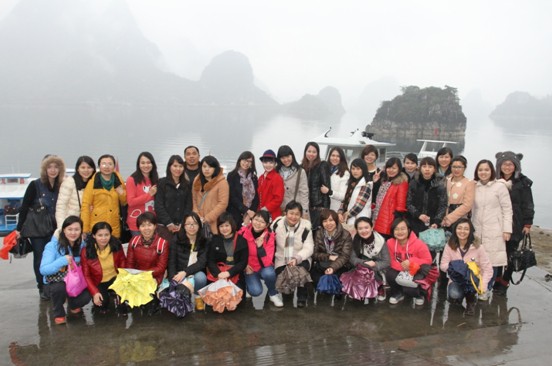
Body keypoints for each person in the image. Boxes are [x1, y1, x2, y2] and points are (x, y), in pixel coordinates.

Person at [16, 154, 66, 300]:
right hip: (37, 229)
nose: (53, 170)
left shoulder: (61, 185)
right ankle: (42, 287)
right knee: (40, 258)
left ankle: (56, 284)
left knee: (57, 256)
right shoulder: (35, 185)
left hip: (55, 228)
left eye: (56, 167)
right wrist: (19, 229)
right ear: (44, 169)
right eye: (49, 167)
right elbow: (24, 207)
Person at [493, 151, 535, 295]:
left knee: (511, 253)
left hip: (516, 222)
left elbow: (528, 204)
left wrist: (527, 224)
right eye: (504, 164)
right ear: (499, 166)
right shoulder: (494, 180)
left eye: (510, 164)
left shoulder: (523, 183)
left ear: (516, 166)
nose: (507, 167)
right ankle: (496, 278)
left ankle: (505, 281)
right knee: (498, 251)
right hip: (497, 221)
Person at [471, 159, 513, 300]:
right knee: (477, 259)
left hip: (495, 228)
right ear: (477, 171)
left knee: (492, 261)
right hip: (477, 228)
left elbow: (507, 210)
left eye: (486, 170)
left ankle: (486, 288)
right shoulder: (474, 186)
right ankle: (476, 284)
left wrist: (507, 230)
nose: (483, 172)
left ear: (492, 171)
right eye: (480, 170)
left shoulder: (499, 187)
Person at [39, 216, 91, 325]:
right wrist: (62, 260)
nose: (73, 233)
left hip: (74, 281)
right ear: (63, 230)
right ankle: (59, 313)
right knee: (59, 288)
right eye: (69, 229)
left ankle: (73, 304)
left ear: (81, 231)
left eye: (76, 229)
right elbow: (43, 270)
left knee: (87, 295)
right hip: (56, 281)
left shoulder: (82, 245)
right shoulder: (52, 246)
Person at [440, 218, 493, 315]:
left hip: (473, 280)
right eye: (459, 228)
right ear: (455, 230)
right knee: (454, 294)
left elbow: (488, 269)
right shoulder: (449, 245)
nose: (462, 231)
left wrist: (483, 285)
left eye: (466, 229)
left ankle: (471, 300)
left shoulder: (478, 247)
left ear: (470, 231)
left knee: (471, 284)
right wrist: (456, 267)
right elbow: (443, 265)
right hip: (457, 279)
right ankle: (458, 297)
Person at [272, 200, 314, 308]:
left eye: (297, 214)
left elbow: (309, 247)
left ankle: (302, 296)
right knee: (283, 270)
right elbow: (268, 237)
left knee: (301, 269)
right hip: (282, 257)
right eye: (291, 213)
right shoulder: (277, 224)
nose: (293, 217)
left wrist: (297, 258)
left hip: (300, 256)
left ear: (301, 215)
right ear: (285, 213)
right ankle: (287, 292)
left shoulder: (306, 226)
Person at [238, 210, 283, 307]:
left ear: (267, 225)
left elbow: (267, 263)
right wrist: (244, 265)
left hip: (263, 267)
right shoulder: (242, 233)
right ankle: (249, 284)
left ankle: (273, 294)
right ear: (251, 220)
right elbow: (237, 254)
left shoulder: (269, 237)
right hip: (249, 268)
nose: (258, 223)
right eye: (256, 220)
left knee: (269, 273)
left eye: (262, 222)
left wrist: (260, 248)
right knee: (256, 291)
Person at [80, 221, 127, 314]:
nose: (103, 238)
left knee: (124, 304)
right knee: (102, 303)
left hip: (115, 278)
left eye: (106, 235)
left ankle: (119, 299)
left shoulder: (116, 245)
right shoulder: (86, 251)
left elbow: (123, 263)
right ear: (94, 236)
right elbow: (86, 275)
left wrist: (124, 280)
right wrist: (94, 292)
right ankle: (104, 299)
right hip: (98, 281)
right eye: (100, 235)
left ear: (110, 234)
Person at [385, 218, 433, 305]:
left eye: (403, 229)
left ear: (409, 229)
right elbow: (390, 259)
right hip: (400, 269)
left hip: (416, 270)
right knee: (389, 274)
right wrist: (403, 267)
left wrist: (411, 262)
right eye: (396, 229)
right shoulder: (389, 243)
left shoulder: (419, 244)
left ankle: (419, 294)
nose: (400, 232)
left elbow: (428, 260)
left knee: (411, 288)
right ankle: (398, 293)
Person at [168, 212, 208, 309]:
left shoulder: (204, 241)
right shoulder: (176, 239)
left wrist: (185, 272)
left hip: (194, 272)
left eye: (195, 223)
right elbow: (171, 261)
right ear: (184, 226)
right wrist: (173, 280)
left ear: (199, 225)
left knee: (201, 277)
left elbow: (202, 263)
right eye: (189, 224)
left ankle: (198, 297)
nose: (192, 226)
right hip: (179, 273)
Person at [81, 154, 127, 239]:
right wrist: (85, 229)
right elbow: (86, 206)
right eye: (104, 164)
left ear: (114, 166)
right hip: (97, 225)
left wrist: (121, 193)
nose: (107, 167)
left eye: (110, 164)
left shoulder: (118, 180)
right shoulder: (93, 182)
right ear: (99, 166)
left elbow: (124, 202)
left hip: (114, 225)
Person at [349, 217, 390, 301]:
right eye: (360, 228)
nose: (364, 231)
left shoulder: (380, 241)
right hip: (362, 266)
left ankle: (379, 287)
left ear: (372, 227)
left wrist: (375, 265)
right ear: (356, 230)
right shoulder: (356, 240)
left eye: (366, 227)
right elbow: (352, 258)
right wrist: (365, 262)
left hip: (377, 268)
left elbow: (387, 262)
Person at [206, 213, 249, 292]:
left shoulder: (241, 240)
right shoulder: (215, 240)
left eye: (226, 225)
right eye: (221, 226)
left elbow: (243, 262)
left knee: (236, 299)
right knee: (214, 299)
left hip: (235, 273)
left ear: (232, 225)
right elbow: (210, 261)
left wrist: (229, 273)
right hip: (218, 273)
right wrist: (218, 274)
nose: (224, 229)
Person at [55, 155, 96, 235]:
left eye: (89, 167)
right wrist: (62, 228)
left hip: (90, 225)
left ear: (93, 169)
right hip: (72, 226)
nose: (86, 170)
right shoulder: (69, 182)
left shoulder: (95, 183)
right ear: (77, 169)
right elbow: (61, 207)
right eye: (83, 167)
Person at [406, 157, 447, 235]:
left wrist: (437, 222)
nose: (427, 169)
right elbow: (409, 203)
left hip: (432, 223)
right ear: (420, 168)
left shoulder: (440, 184)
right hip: (415, 221)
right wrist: (418, 215)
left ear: (434, 169)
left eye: (430, 167)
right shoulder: (414, 183)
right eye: (424, 166)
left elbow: (443, 205)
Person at [311, 209, 352, 287]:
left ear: (336, 221)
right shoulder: (319, 233)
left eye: (331, 220)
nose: (328, 223)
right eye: (325, 221)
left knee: (335, 281)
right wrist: (328, 256)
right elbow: (314, 254)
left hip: (340, 265)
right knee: (317, 281)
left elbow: (345, 256)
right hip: (323, 263)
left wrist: (332, 268)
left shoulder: (345, 234)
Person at [126, 212, 170, 285]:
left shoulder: (162, 243)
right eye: (143, 225)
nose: (146, 228)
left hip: (154, 277)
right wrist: (134, 276)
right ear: (138, 228)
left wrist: (143, 275)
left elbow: (161, 267)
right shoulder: (134, 241)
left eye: (149, 225)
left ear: (155, 226)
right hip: (136, 276)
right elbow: (129, 263)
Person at [372, 157, 409, 238]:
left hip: (388, 221)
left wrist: (395, 222)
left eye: (394, 168)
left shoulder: (401, 183)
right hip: (378, 218)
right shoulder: (385, 181)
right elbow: (376, 199)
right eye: (389, 167)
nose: (391, 170)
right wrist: (376, 182)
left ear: (399, 169)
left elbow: (401, 205)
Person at [155, 155, 192, 235]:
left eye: (180, 166)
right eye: (175, 166)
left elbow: (188, 206)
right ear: (169, 167)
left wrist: (183, 223)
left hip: (182, 226)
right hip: (164, 226)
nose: (178, 169)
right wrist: (169, 223)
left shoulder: (187, 185)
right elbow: (159, 205)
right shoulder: (162, 183)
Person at [192, 155, 230, 235]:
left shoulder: (222, 183)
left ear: (215, 168)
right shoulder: (197, 180)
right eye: (204, 166)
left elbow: (223, 203)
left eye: (210, 167)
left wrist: (207, 218)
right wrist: (197, 216)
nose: (206, 169)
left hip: (215, 221)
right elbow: (194, 200)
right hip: (198, 221)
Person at [126, 152, 158, 236]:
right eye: (143, 163)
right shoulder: (131, 179)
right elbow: (131, 202)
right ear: (138, 164)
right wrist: (149, 195)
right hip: (137, 222)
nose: (146, 165)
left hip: (151, 221)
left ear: (152, 164)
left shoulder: (154, 179)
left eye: (148, 162)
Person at [301, 142, 331, 230]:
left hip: (318, 208)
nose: (311, 154)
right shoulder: (302, 167)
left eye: (314, 152)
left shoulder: (322, 165)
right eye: (309, 151)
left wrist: (325, 210)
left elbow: (326, 189)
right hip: (305, 208)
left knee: (317, 234)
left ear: (317, 153)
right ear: (305, 152)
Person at [227, 151, 259, 227]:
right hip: (235, 213)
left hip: (250, 215)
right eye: (244, 160)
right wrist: (246, 211)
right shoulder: (232, 176)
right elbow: (232, 197)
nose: (246, 163)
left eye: (249, 161)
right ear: (240, 160)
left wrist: (250, 213)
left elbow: (256, 198)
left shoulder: (253, 178)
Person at [441, 155, 475, 228]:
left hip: (460, 220)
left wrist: (450, 218)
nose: (456, 169)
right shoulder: (446, 180)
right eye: (454, 167)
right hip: (443, 219)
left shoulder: (469, 183)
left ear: (465, 168)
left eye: (459, 167)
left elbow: (467, 205)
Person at [276, 145, 309, 218]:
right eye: (283, 158)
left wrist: (305, 211)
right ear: (279, 159)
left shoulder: (300, 171)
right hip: (281, 211)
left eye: (288, 156)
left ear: (292, 156)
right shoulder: (276, 172)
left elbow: (304, 192)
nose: (286, 160)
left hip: (296, 212)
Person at [338, 158, 372, 226]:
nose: (355, 171)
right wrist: (340, 212)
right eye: (353, 169)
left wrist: (346, 215)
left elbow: (359, 205)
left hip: (360, 221)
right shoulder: (352, 183)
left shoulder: (366, 184)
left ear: (363, 170)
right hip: (350, 220)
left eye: (358, 169)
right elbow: (345, 200)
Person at [258, 149, 285, 222]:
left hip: (272, 215)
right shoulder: (261, 177)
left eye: (271, 163)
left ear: (275, 163)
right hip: (260, 214)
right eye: (265, 162)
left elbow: (278, 199)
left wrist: (265, 208)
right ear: (262, 163)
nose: (268, 165)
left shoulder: (277, 178)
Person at [325, 147, 350, 212]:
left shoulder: (345, 173)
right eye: (333, 155)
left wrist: (330, 192)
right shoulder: (324, 170)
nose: (335, 158)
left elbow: (344, 196)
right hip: (323, 207)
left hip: (335, 209)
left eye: (338, 156)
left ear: (341, 158)